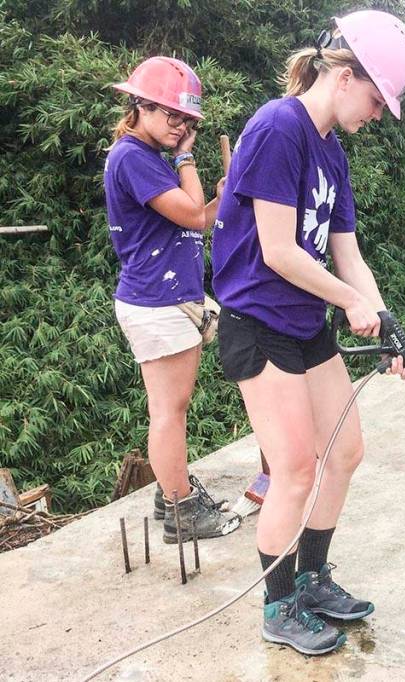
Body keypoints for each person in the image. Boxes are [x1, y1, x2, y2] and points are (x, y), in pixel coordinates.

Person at [211, 10, 405, 655]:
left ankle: (312, 577)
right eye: (378, 99)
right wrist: (351, 301)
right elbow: (277, 250)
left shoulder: (331, 151)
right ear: (344, 74)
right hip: (257, 321)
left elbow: (347, 253)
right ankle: (278, 607)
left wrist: (384, 322)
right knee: (296, 468)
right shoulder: (279, 128)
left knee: (346, 450)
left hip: (304, 323)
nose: (380, 115)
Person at [105, 57, 239, 544]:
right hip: (156, 301)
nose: (180, 126)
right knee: (169, 411)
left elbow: (197, 214)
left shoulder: (145, 157)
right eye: (170, 114)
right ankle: (182, 511)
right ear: (139, 106)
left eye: (186, 119)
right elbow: (191, 216)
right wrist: (187, 159)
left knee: (172, 406)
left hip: (168, 296)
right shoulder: (132, 158)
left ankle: (170, 492)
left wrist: (221, 196)